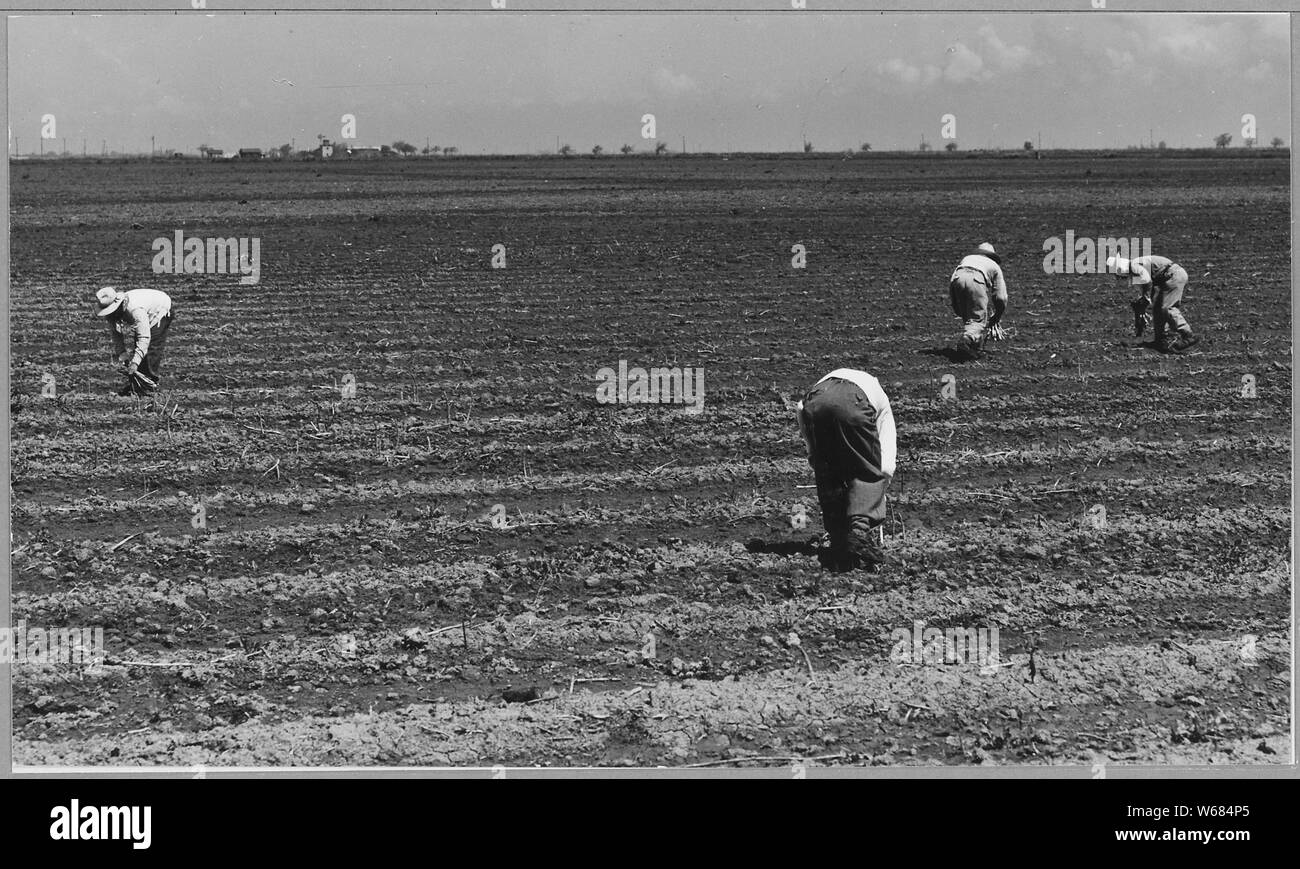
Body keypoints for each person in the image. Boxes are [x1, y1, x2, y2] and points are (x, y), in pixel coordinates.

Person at [795, 368, 896, 571]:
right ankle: (858, 532)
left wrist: (815, 454)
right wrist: (878, 490)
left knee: (827, 471)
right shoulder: (882, 404)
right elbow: (884, 464)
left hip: (815, 401)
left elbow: (800, 407)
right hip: (854, 401)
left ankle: (839, 538)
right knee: (866, 469)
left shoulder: (833, 379)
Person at [1105, 254, 1200, 352]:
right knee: (1157, 309)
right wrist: (1145, 298)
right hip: (1170, 276)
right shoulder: (1137, 264)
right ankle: (1160, 340)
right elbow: (1150, 285)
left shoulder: (1134, 265)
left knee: (1167, 308)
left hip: (1174, 276)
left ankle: (1188, 335)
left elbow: (1147, 281)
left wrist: (1145, 298)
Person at [95, 287, 174, 396]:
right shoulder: (112, 314)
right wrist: (123, 356)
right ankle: (138, 386)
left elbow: (144, 338)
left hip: (160, 310)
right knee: (140, 349)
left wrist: (135, 363)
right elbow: (116, 335)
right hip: (146, 312)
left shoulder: (135, 310)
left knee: (151, 349)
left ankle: (150, 386)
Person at [948, 242, 1008, 356]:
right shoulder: (994, 265)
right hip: (977, 279)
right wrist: (996, 316)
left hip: (957, 278)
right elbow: (1001, 297)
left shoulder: (967, 258)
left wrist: (956, 304)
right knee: (977, 319)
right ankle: (966, 341)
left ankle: (974, 346)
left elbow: (953, 279)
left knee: (970, 317)